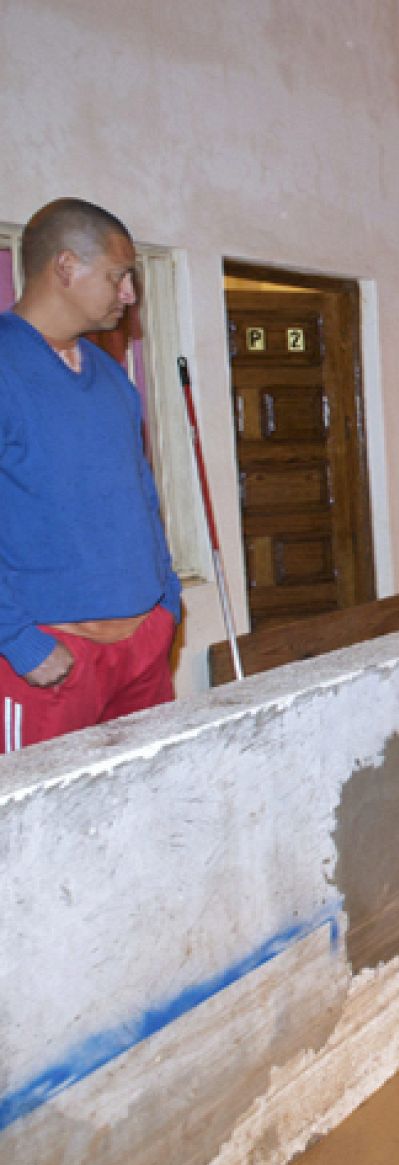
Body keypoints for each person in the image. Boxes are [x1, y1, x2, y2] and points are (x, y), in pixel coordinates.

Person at [0, 198, 183, 753]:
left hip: (142, 649)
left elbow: (142, 497)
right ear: (65, 267)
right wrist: (17, 641)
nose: (129, 295)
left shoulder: (108, 372)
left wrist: (166, 604)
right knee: (41, 827)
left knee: (155, 800)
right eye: (119, 275)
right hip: (50, 659)